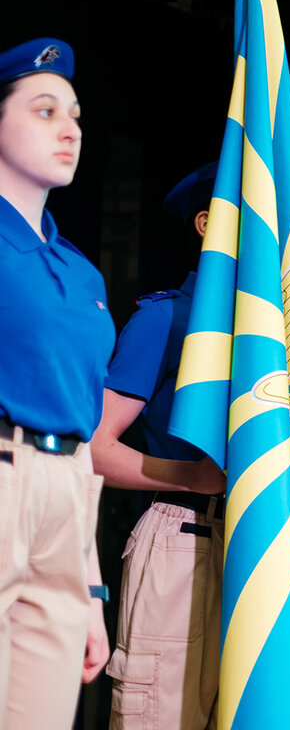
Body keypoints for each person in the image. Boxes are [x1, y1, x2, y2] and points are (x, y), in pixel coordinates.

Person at [0, 37, 113, 729]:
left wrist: (92, 588)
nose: (68, 128)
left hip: (68, 497)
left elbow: (84, 434)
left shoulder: (82, 274)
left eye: (73, 114)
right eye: (45, 110)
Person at [92, 163, 227, 729]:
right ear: (206, 223)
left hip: (254, 540)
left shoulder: (275, 336)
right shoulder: (167, 317)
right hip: (182, 536)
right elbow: (95, 447)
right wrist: (188, 476)